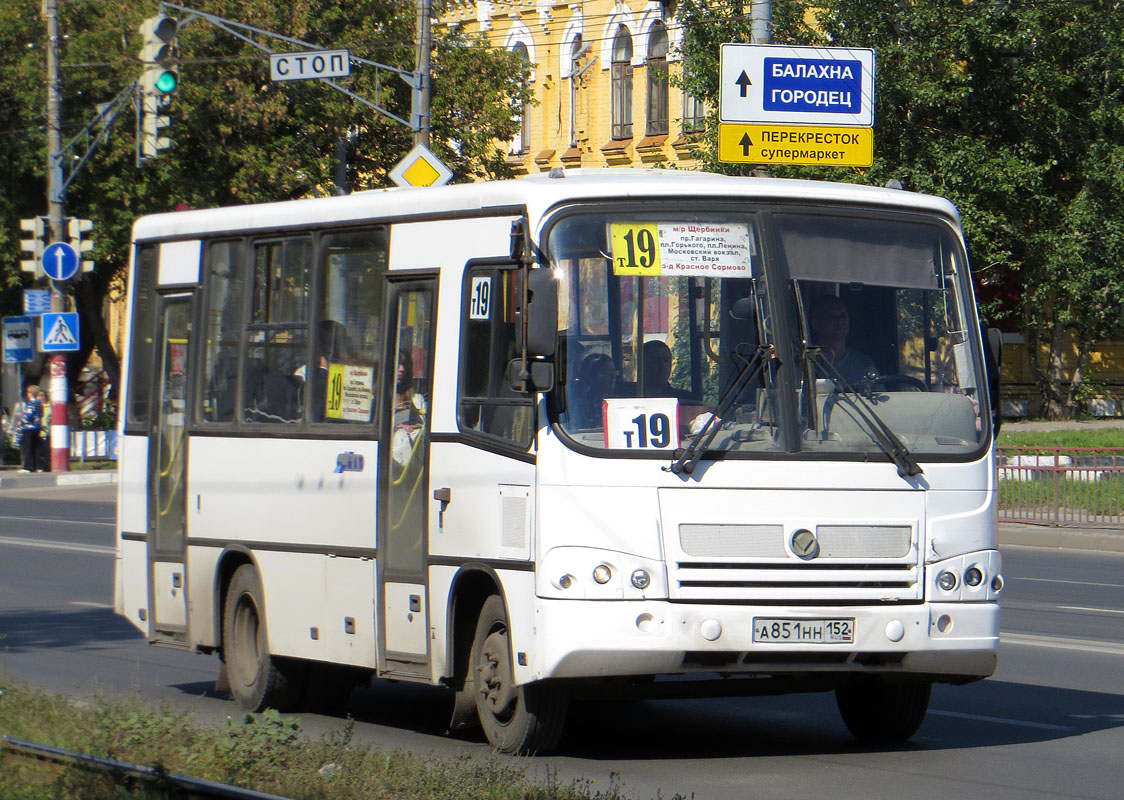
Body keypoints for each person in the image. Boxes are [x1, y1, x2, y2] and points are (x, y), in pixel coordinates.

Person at [808, 294, 877, 386]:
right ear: (815, 324)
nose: (840, 321)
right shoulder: (809, 363)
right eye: (832, 317)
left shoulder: (864, 363)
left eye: (843, 315)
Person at [569, 352, 617, 428]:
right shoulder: (580, 407)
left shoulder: (619, 400)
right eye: (607, 372)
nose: (613, 376)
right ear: (591, 376)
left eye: (613, 371)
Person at [15, 385, 44, 473]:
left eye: (28, 392)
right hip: (37, 427)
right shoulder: (39, 403)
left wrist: (21, 421)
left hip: (28, 428)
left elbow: (28, 414)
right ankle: (38, 466)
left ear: (31, 393)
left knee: (27, 448)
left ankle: (27, 467)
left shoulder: (32, 403)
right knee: (36, 448)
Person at [36, 389, 51, 472]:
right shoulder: (36, 406)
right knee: (38, 450)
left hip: (46, 431)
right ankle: (38, 466)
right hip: (37, 430)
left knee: (46, 450)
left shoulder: (50, 406)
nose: (40, 397)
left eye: (42, 395)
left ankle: (46, 467)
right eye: (39, 395)